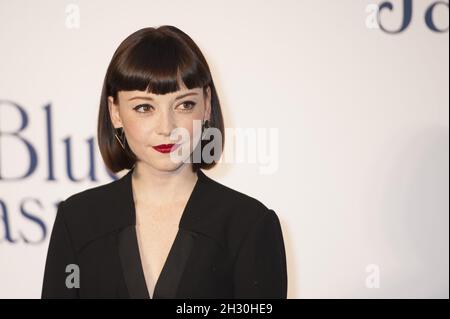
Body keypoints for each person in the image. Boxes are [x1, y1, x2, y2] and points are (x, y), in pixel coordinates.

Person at [41, 25, 287, 299]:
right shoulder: (77, 219)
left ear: (206, 105)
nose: (167, 127)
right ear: (115, 112)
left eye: (184, 105)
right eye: (144, 107)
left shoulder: (249, 224)